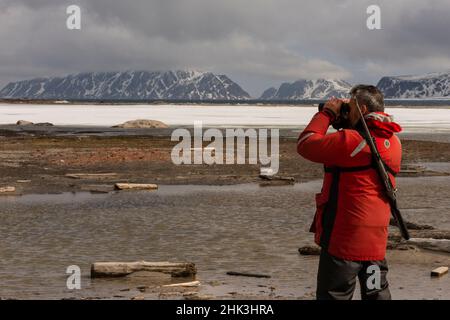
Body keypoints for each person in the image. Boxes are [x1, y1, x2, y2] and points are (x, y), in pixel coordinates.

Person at [297, 85, 402, 300]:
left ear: (362, 109)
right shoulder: (394, 142)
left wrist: (326, 113)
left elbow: (305, 144)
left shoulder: (350, 141)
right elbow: (364, 142)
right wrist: (347, 120)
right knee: (376, 295)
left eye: (350, 107)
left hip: (344, 243)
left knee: (335, 295)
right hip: (376, 243)